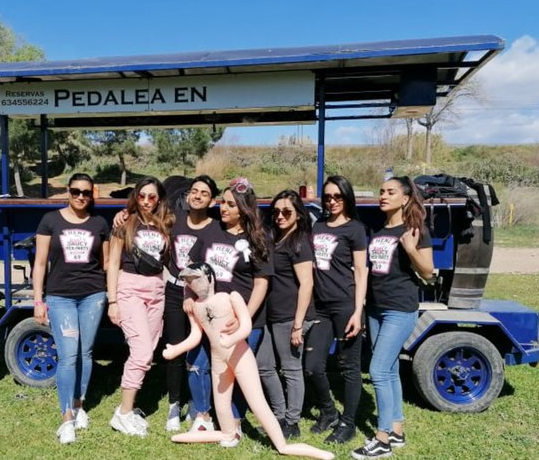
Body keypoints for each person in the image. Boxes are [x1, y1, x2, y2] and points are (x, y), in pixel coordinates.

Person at [163, 263, 335, 460]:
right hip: (218, 360)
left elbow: (246, 326)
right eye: (189, 281)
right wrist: (176, 349)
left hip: (240, 357)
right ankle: (228, 433)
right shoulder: (196, 307)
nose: (193, 284)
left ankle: (281, 445)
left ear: (210, 278)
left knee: (257, 403)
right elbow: (196, 334)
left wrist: (232, 339)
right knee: (221, 405)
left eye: (196, 279)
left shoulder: (230, 298)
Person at [113, 175, 222, 431]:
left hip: (195, 294)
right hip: (171, 291)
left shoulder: (202, 225)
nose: (197, 196)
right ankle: (173, 403)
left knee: (200, 350)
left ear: (212, 200)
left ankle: (198, 404)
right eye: (194, 191)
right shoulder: (173, 220)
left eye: (204, 193)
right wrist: (123, 213)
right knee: (171, 349)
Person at [351, 176, 433, 459]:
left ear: (405, 198)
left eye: (390, 192)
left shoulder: (415, 230)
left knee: (377, 371)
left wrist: (410, 249)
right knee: (390, 369)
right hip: (376, 308)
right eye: (381, 191)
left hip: (399, 309)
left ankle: (382, 438)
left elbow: (428, 271)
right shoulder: (378, 230)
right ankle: (397, 431)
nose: (383, 196)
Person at [188, 176, 273, 439]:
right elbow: (191, 269)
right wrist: (189, 297)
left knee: (238, 372)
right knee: (198, 364)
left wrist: (243, 318)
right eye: (223, 202)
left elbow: (261, 283)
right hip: (209, 318)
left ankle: (235, 421)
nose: (223, 208)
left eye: (230, 204)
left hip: (244, 320)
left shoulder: (258, 237)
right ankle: (203, 416)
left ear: (244, 209)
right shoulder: (210, 231)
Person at [32, 173, 110, 445]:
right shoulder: (50, 220)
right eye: (76, 191)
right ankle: (66, 419)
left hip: (93, 295)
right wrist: (38, 300)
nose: (80, 197)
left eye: (86, 192)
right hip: (60, 297)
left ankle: (79, 405)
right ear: (68, 191)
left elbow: (106, 263)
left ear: (92, 195)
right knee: (67, 357)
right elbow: (40, 263)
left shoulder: (100, 223)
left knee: (85, 353)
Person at [107, 176, 174, 437]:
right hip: (130, 287)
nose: (146, 201)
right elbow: (113, 263)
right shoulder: (125, 223)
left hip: (156, 289)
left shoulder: (165, 224)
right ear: (135, 196)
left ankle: (129, 407)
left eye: (152, 196)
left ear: (159, 199)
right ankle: (123, 414)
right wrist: (113, 301)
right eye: (141, 196)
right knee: (142, 352)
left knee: (149, 348)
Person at [305, 176, 367, 444]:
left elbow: (361, 272)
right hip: (320, 307)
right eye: (328, 197)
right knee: (312, 366)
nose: (331, 201)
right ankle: (329, 412)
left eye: (337, 196)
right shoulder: (318, 225)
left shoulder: (355, 229)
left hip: (345, 305)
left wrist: (357, 311)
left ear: (347, 197)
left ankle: (348, 423)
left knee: (349, 367)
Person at [261, 189, 315, 439]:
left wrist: (298, 324)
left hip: (290, 316)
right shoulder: (277, 239)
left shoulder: (299, 241)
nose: (280, 216)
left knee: (291, 369)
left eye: (286, 212)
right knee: (264, 365)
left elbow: (307, 283)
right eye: (276, 212)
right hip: (271, 314)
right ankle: (279, 415)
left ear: (298, 214)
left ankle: (292, 423)